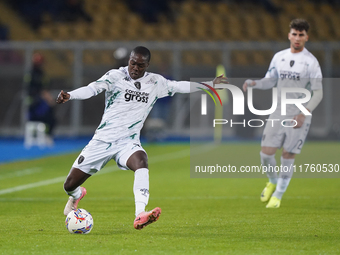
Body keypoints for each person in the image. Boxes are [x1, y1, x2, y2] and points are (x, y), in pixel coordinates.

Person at [56, 46, 228, 229]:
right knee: (69, 185)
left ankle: (140, 214)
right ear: (129, 60)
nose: (135, 68)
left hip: (128, 142)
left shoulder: (155, 82)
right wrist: (71, 95)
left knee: (141, 161)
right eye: (133, 63)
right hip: (103, 140)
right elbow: (92, 89)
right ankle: (77, 195)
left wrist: (209, 83)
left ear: (147, 65)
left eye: (140, 65)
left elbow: (179, 86)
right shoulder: (115, 76)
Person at [243, 19, 323, 208]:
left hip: (298, 115)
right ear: (289, 35)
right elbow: (270, 80)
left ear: (306, 37)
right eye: (294, 34)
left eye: (301, 35)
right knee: (266, 154)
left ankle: (278, 196)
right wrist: (255, 83)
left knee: (288, 154)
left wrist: (303, 113)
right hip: (278, 112)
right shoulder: (279, 57)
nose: (297, 38)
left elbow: (319, 93)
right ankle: (273, 180)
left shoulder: (311, 62)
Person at [26, 52, 56, 143]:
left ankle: (46, 135)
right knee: (50, 118)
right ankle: (46, 135)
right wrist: (47, 98)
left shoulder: (40, 73)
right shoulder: (33, 74)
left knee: (52, 116)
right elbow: (39, 89)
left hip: (38, 103)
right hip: (35, 105)